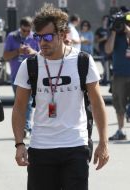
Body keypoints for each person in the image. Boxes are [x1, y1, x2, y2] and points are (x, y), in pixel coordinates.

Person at [12, 3, 109, 190]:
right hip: (40, 148)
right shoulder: (29, 65)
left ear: (63, 34)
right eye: (38, 37)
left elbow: (97, 103)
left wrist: (103, 142)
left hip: (76, 146)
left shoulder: (83, 61)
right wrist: (19, 144)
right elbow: (19, 106)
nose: (42, 43)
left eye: (48, 37)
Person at [4, 16, 39, 137]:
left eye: (28, 31)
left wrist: (32, 51)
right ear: (20, 28)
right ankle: (22, 127)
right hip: (16, 75)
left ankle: (27, 127)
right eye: (24, 30)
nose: (26, 33)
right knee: (20, 103)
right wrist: (17, 51)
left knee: (29, 102)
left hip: (32, 74)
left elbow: (42, 55)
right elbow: (5, 56)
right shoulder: (12, 37)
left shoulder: (35, 37)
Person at [105, 8, 130, 141]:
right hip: (119, 75)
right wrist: (114, 32)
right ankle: (121, 130)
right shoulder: (116, 34)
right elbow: (108, 50)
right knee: (119, 105)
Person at [95, 15, 110, 85]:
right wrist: (103, 38)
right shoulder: (99, 30)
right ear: (103, 20)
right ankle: (105, 80)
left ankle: (106, 79)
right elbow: (96, 40)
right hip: (102, 50)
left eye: (107, 20)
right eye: (105, 20)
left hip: (110, 50)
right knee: (104, 65)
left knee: (108, 65)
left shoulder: (110, 29)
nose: (106, 21)